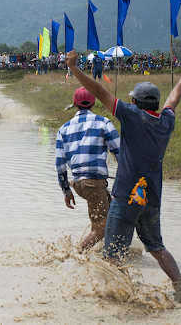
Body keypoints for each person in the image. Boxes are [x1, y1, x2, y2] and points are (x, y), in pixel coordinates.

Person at [66, 50, 181, 296]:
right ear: (156, 105)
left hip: (127, 197)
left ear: (135, 103)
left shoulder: (130, 115)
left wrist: (74, 68)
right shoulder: (166, 122)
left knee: (112, 253)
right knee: (158, 248)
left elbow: (98, 91)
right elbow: (173, 101)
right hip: (152, 200)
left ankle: (120, 295)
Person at [56, 87, 120, 252]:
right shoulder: (103, 122)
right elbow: (121, 153)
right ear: (93, 103)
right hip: (94, 183)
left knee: (114, 215)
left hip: (78, 184)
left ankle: (113, 251)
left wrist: (66, 191)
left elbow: (60, 166)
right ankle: (76, 255)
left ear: (75, 105)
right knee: (99, 230)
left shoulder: (63, 129)